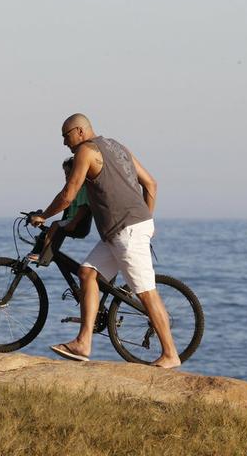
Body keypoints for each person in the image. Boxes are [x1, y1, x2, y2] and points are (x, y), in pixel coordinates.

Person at [30, 113, 181, 368]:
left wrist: (43, 215)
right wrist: (146, 219)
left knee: (146, 293)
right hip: (124, 229)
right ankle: (83, 342)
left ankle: (170, 353)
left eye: (66, 136)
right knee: (87, 273)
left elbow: (69, 194)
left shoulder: (85, 152)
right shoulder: (117, 146)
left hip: (126, 231)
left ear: (79, 131)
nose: (65, 143)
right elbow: (151, 185)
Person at [28, 157, 91, 265]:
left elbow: (84, 208)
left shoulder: (82, 188)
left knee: (55, 225)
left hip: (78, 223)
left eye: (69, 173)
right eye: (65, 173)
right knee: (47, 232)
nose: (66, 176)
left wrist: (73, 223)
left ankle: (44, 257)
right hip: (71, 221)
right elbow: (59, 204)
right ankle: (41, 252)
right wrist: (41, 215)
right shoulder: (71, 189)